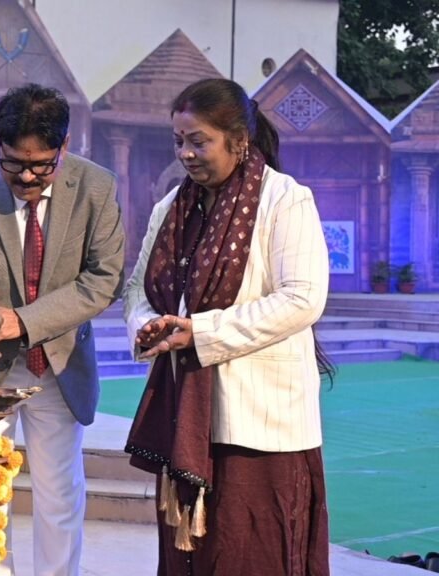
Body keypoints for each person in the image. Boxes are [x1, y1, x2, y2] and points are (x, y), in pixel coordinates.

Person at [123, 78, 334, 575]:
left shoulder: (285, 199)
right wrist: (149, 326)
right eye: (179, 141)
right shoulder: (171, 207)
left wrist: (200, 332)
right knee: (190, 559)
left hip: (261, 425)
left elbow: (303, 298)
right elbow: (137, 288)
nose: (186, 154)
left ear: (239, 140)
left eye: (199, 141)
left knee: (251, 555)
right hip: (186, 415)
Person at [0, 83, 125, 576]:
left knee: (59, 492)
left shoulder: (96, 188)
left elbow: (104, 280)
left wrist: (25, 321)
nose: (27, 176)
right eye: (13, 163)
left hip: (58, 362)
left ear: (65, 145)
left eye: (41, 165)